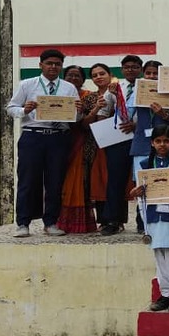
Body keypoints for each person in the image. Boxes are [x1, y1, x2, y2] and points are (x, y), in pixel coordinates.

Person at [5, 48, 81, 238]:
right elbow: (10, 108)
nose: (53, 67)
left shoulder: (68, 87)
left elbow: (76, 117)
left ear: (61, 67)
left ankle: (51, 222)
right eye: (49, 63)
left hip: (58, 136)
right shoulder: (27, 84)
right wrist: (24, 109)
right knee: (28, 181)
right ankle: (23, 223)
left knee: (55, 181)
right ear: (41, 65)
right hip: (33, 134)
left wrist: (78, 110)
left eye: (57, 64)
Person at [130, 124, 169, 313]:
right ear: (152, 143)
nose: (162, 144)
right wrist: (135, 192)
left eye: (166, 141)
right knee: (160, 256)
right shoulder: (144, 166)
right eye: (158, 141)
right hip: (154, 217)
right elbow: (139, 194)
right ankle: (166, 293)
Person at [58, 64, 113, 234]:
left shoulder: (89, 97)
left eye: (77, 76)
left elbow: (87, 123)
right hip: (62, 142)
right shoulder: (56, 95)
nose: (73, 79)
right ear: (64, 78)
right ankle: (63, 222)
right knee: (64, 182)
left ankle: (92, 222)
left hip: (87, 143)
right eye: (70, 76)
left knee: (88, 181)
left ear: (83, 80)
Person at [129, 60, 169, 236]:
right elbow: (125, 116)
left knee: (166, 180)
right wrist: (128, 99)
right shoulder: (137, 91)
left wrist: (164, 115)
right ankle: (142, 222)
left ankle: (166, 219)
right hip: (142, 144)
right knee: (142, 183)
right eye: (148, 73)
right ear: (143, 74)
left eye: (155, 73)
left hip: (165, 143)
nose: (152, 76)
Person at [103, 56, 143, 235]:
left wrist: (137, 124)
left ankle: (143, 220)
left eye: (135, 67)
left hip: (142, 137)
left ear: (140, 69)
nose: (131, 70)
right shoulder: (115, 88)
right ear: (122, 69)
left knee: (142, 180)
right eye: (127, 68)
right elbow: (104, 110)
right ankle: (114, 220)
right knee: (116, 180)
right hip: (119, 138)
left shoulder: (148, 87)